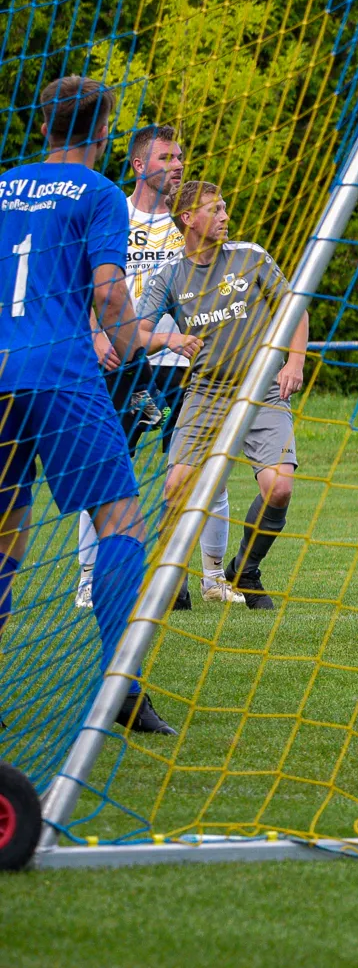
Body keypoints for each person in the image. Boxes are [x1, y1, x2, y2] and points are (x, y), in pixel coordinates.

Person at [0, 76, 169, 733]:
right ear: (103, 131)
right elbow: (109, 292)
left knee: (6, 533)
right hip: (61, 369)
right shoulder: (99, 193)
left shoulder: (3, 185)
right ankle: (121, 687)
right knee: (120, 519)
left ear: (44, 126)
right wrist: (132, 353)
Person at [77, 124, 237, 613]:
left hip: (183, 365)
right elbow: (85, 281)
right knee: (106, 467)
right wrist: (96, 334)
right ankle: (89, 578)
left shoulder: (192, 221)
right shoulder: (112, 213)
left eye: (180, 156)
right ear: (139, 165)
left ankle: (213, 577)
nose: (177, 165)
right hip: (121, 363)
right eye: (166, 157)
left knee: (206, 471)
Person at [137, 181, 308, 612]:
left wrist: (294, 362)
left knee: (279, 489)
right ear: (188, 219)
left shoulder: (250, 257)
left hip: (263, 389)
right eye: (215, 210)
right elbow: (136, 334)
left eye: (225, 208)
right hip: (206, 392)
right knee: (176, 486)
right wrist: (170, 339)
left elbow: (296, 309)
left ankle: (245, 570)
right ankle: (171, 580)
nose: (225, 216)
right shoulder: (170, 275)